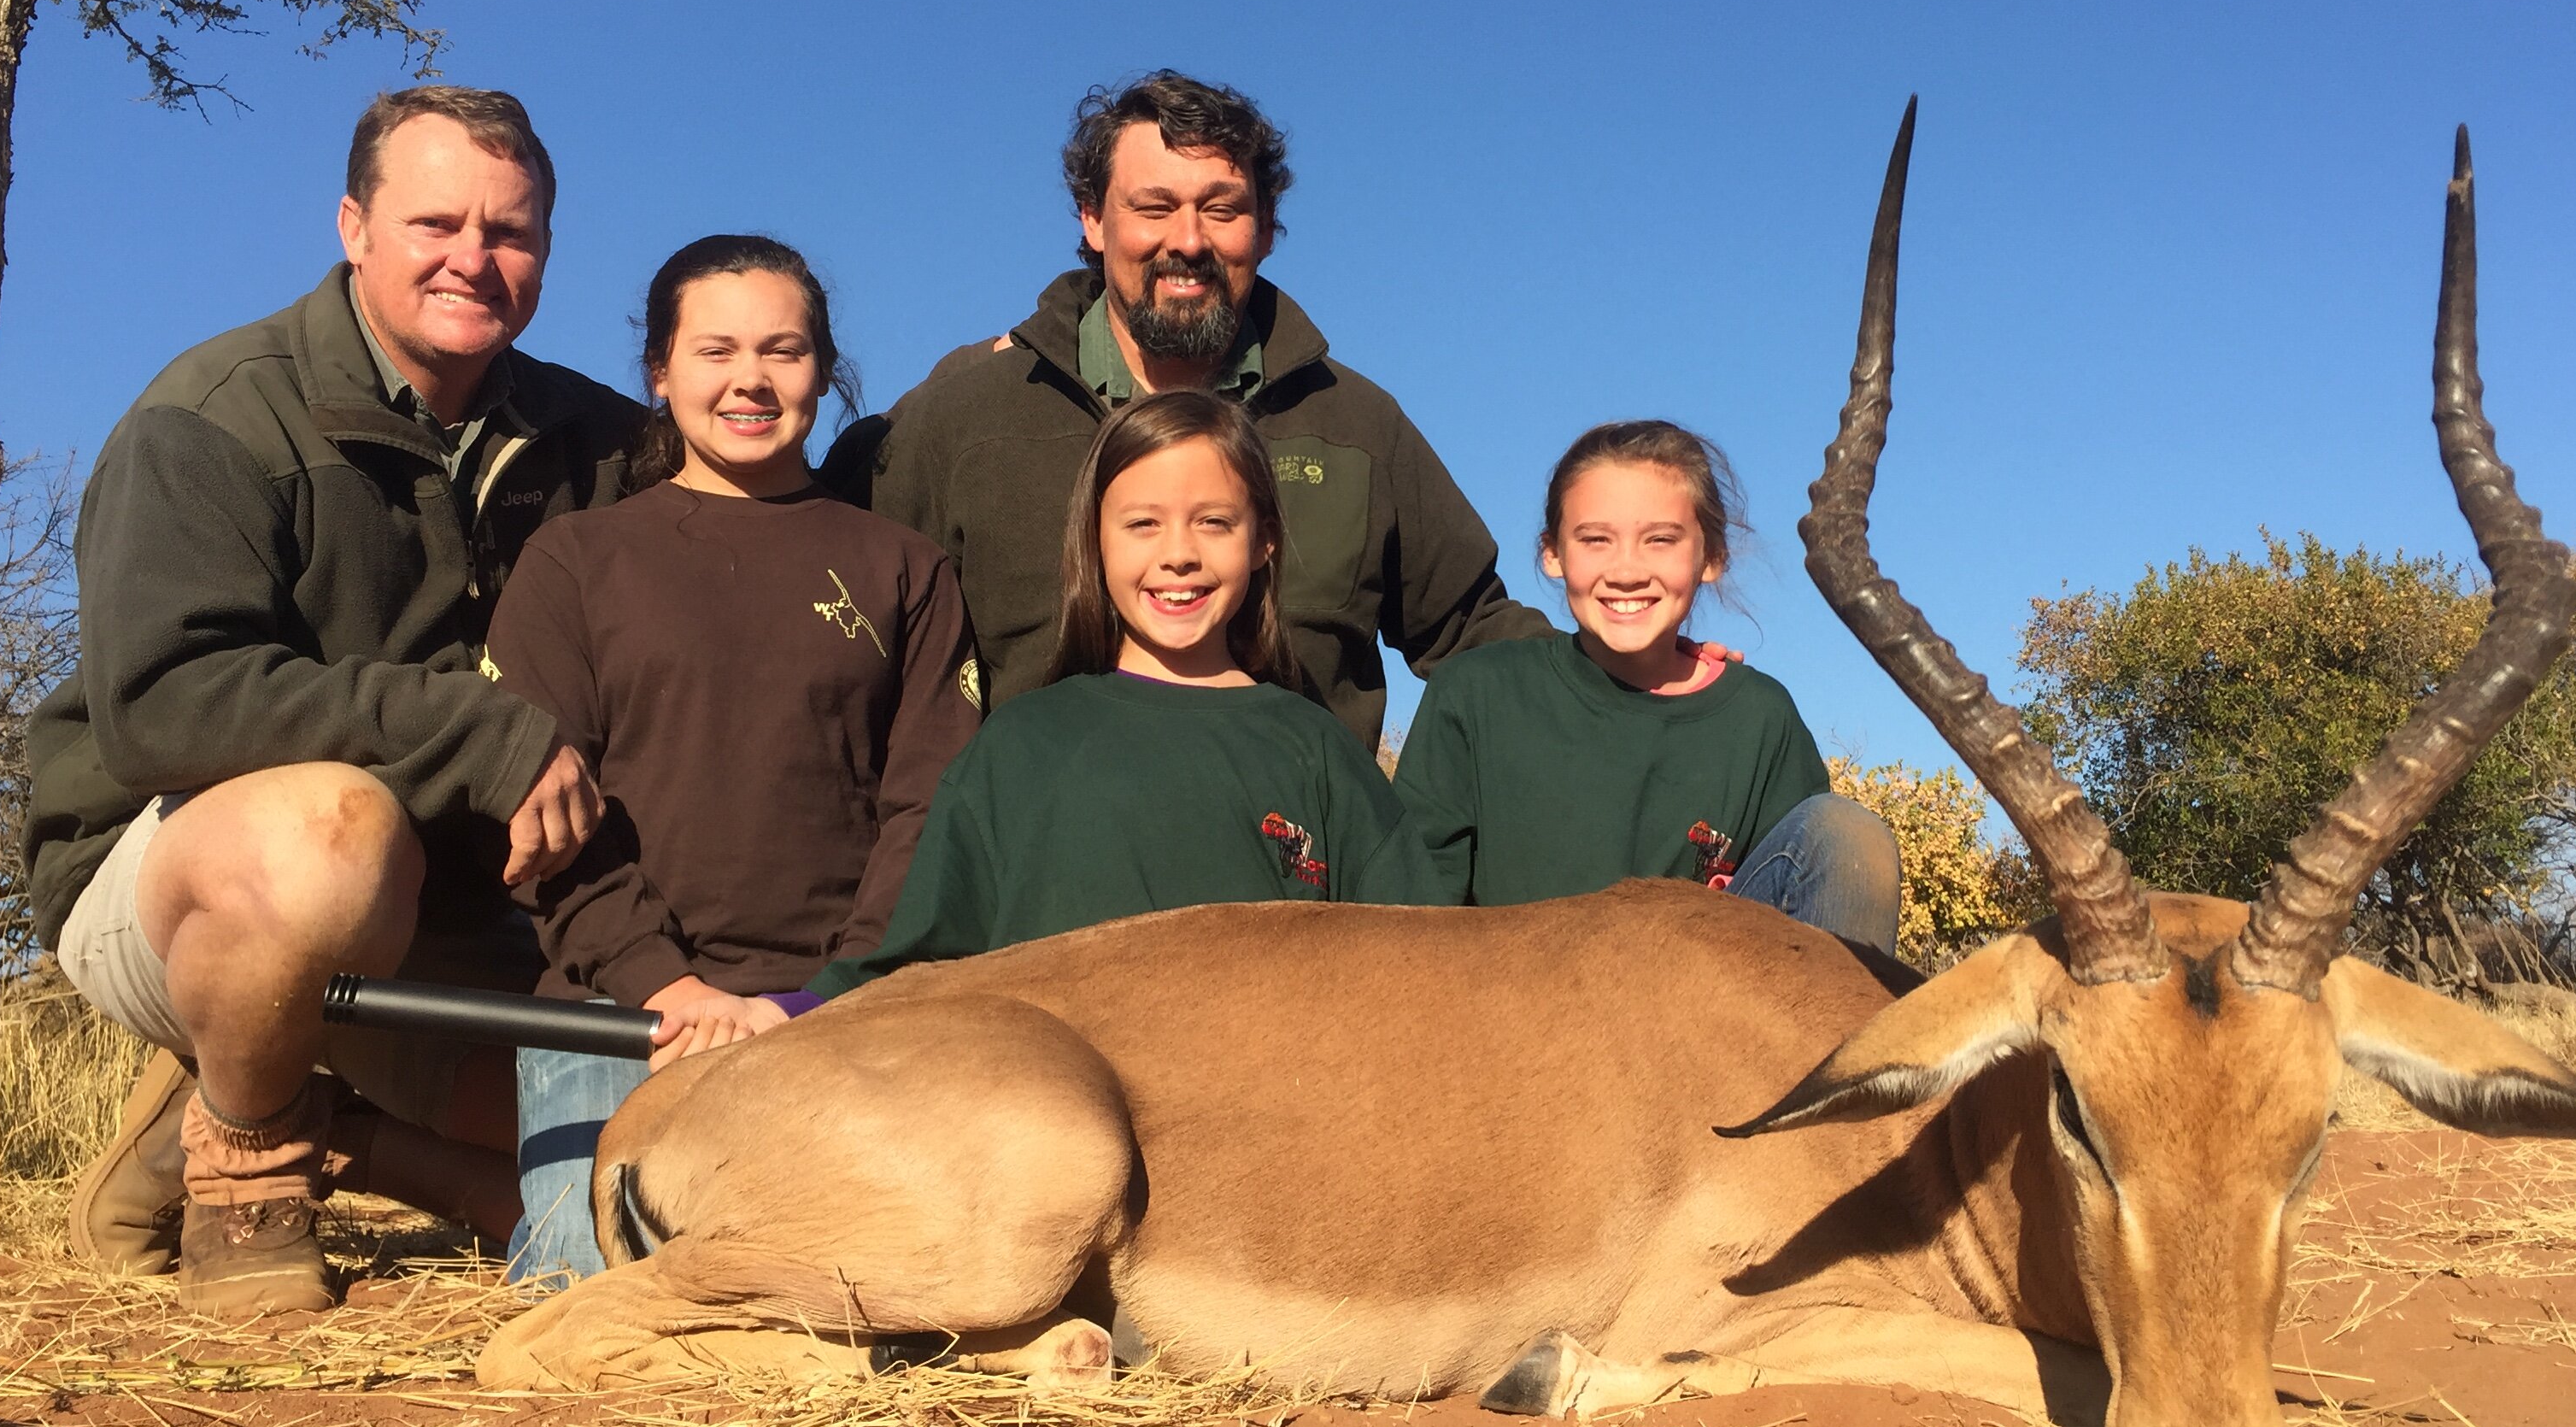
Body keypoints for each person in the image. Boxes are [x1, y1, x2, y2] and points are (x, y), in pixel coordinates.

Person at [24, 87, 645, 1315]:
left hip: (466, 911)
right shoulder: (210, 415)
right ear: (354, 226)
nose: (475, 258)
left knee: (640, 1191)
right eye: (436, 223)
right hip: (190, 876)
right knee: (329, 833)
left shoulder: (608, 443)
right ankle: (248, 1171)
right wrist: (474, 734)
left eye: (511, 233)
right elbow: (161, 711)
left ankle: (325, 1118)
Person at [483, 236, 982, 1282]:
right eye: (714, 351)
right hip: (615, 1016)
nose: (749, 379)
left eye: (783, 350)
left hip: (836, 1013)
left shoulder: (905, 567)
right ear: (660, 373)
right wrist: (664, 987)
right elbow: (543, 820)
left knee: (866, 1295)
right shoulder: (575, 561)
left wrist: (821, 998)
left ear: (824, 369)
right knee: (592, 1298)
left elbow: (931, 807)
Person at [821, 70, 1551, 757]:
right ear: (1093, 219)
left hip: (1302, 878)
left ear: (1265, 230)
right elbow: (817, 568)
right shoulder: (968, 417)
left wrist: (1642, 686)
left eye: (1222, 208)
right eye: (1154, 207)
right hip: (1042, 879)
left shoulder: (1355, 424)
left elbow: (1474, 634)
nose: (1189, 241)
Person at [799, 390, 1443, 1004]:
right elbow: (911, 971)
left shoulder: (1320, 751)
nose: (1179, 555)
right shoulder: (1019, 747)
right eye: (1142, 524)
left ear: (1264, 541)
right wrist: (790, 1014)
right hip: (1057, 1115)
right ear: (1094, 539)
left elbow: (1420, 974)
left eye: (1214, 523)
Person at [1393, 420, 1903, 962]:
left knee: (1849, 837)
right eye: (1595, 540)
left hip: (1698, 1027)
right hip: (1516, 1021)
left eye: (1660, 540)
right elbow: (1413, 917)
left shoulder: (1760, 718)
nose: (1628, 571)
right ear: (1553, 554)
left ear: (1710, 558)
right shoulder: (1476, 693)